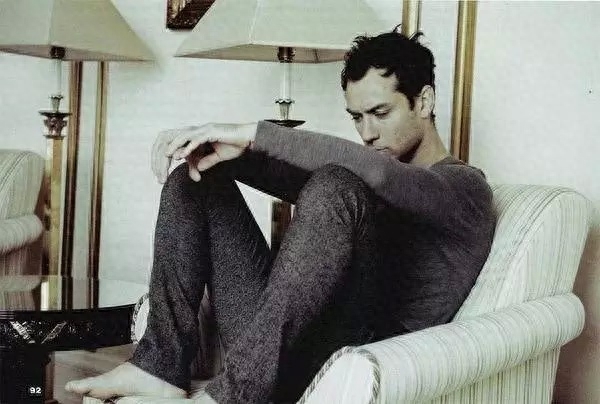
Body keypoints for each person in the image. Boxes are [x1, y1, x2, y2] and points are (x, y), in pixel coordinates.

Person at [65, 29, 496, 404]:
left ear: (424, 101)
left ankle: (232, 397)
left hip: (352, 368)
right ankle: (159, 365)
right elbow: (316, 181)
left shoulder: (464, 190)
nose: (367, 133)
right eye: (357, 117)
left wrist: (254, 134)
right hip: (272, 357)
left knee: (336, 182)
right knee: (198, 175)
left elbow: (380, 177)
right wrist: (226, 151)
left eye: (381, 114)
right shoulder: (361, 186)